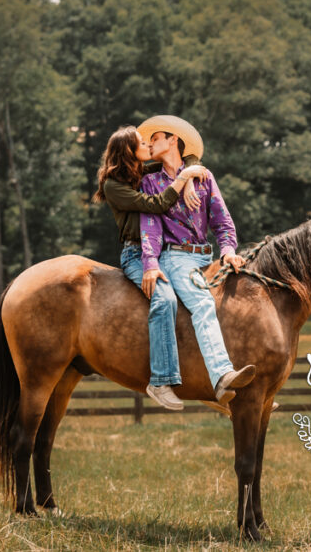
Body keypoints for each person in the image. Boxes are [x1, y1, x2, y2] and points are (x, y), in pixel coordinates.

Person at [137, 116, 256, 406]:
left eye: (156, 137)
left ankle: (254, 393)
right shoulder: (150, 182)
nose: (151, 143)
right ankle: (222, 377)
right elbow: (150, 227)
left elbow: (222, 221)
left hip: (208, 257)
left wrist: (228, 250)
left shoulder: (203, 177)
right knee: (203, 305)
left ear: (173, 140)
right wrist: (151, 262)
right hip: (177, 257)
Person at [92, 125, 205, 411]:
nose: (148, 145)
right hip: (136, 253)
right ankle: (160, 379)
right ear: (129, 151)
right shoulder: (114, 186)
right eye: (142, 143)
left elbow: (187, 158)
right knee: (164, 299)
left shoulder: (144, 171)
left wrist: (188, 177)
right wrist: (183, 181)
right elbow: (155, 205)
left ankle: (209, 376)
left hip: (166, 250)